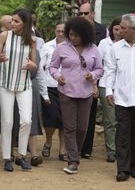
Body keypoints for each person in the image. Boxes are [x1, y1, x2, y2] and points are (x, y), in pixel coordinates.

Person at [50, 17, 103, 174]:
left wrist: (92, 75)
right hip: (66, 92)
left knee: (82, 128)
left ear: (85, 35)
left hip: (85, 93)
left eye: (76, 35)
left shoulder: (93, 49)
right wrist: (57, 76)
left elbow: (100, 69)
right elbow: (52, 67)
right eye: (70, 34)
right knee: (70, 127)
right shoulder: (61, 47)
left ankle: (74, 152)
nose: (72, 38)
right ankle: (73, 160)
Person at [0, 8, 37, 172]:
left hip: (24, 85)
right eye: (12, 20)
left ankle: (21, 156)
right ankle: (6, 158)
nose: (12, 23)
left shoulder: (32, 40)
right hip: (5, 84)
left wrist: (33, 65)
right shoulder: (4, 36)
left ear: (25, 24)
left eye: (16, 21)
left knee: (26, 120)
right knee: (7, 121)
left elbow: (34, 65)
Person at [106, 14, 135, 182]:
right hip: (122, 99)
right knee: (123, 134)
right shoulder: (115, 48)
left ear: (134, 30)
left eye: (124, 28)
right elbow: (110, 71)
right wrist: (108, 92)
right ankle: (123, 169)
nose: (119, 31)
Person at [79, 2, 107, 159]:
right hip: (78, 75)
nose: (83, 16)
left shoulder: (102, 30)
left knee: (91, 112)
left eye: (85, 13)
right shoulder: (75, 27)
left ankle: (87, 148)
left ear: (92, 13)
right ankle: (76, 145)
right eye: (80, 13)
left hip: (95, 74)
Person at [40, 22, 67, 161]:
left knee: (64, 119)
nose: (61, 33)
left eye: (63, 31)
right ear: (55, 31)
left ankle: (63, 149)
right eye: (58, 31)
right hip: (50, 86)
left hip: (67, 87)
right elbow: (40, 67)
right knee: (51, 116)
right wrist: (42, 89)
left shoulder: (71, 47)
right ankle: (48, 141)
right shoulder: (47, 46)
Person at [98, 17, 122, 163]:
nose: (118, 32)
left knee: (123, 119)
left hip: (123, 86)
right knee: (110, 119)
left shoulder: (129, 44)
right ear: (111, 29)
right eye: (116, 29)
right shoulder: (104, 43)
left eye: (121, 29)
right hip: (105, 84)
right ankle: (111, 150)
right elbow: (98, 64)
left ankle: (122, 148)